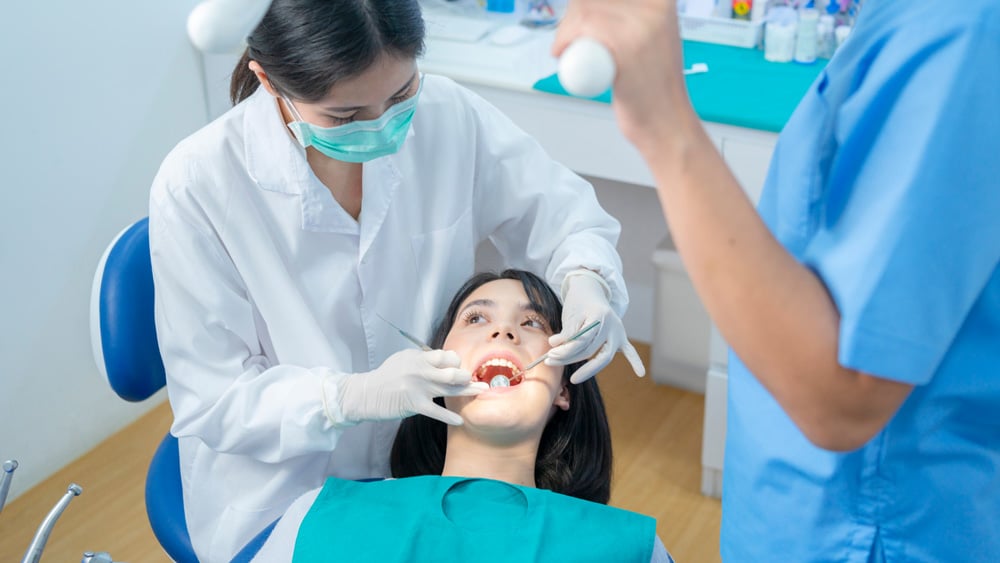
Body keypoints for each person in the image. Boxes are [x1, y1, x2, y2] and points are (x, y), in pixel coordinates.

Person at [149, 0, 646, 560]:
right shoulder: (198, 185)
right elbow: (213, 400)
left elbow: (562, 215)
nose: (384, 125)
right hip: (289, 488)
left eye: (402, 94)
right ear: (268, 81)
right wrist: (347, 398)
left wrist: (587, 276)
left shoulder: (450, 115)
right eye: (345, 117)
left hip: (430, 462)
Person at [553, 0, 999, 561]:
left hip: (868, 525)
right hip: (795, 508)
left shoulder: (959, 31)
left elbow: (843, 399)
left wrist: (664, 123)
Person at [250, 270, 672, 562]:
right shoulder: (319, 517)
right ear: (434, 371)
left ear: (564, 389)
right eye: (475, 318)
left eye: (532, 322)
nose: (504, 332)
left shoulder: (629, 548)